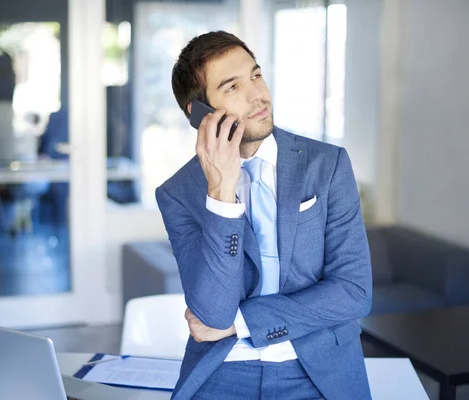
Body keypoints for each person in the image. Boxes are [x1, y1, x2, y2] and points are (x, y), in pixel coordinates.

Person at [155, 31, 373, 400]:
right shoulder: (178, 194)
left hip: (319, 372)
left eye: (256, 75)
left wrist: (243, 323)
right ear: (200, 115)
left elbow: (354, 292)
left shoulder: (327, 165)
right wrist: (221, 194)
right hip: (222, 371)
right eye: (232, 87)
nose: (257, 95)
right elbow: (213, 315)